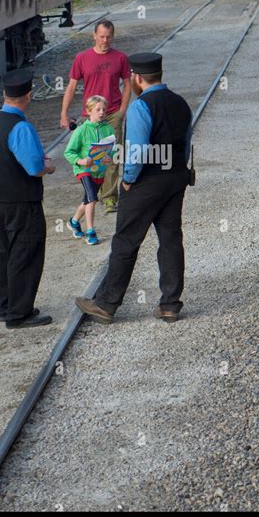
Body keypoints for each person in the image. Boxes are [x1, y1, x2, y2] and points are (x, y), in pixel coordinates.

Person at [75, 53, 192, 325]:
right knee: (171, 239)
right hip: (175, 177)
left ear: (137, 79)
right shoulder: (181, 103)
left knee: (126, 241)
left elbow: (137, 151)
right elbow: (186, 143)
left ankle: (105, 304)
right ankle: (170, 304)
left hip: (145, 182)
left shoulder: (141, 107)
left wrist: (128, 178)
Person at [0, 70, 55, 329]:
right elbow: (33, 166)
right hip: (22, 202)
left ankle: (6, 306)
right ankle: (19, 314)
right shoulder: (21, 127)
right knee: (25, 254)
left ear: (4, 95)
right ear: (29, 96)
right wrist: (49, 167)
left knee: (4, 253)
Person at [60, 20, 130, 214]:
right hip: (89, 117)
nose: (105, 40)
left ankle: (109, 198)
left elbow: (127, 84)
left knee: (111, 157)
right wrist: (64, 113)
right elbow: (72, 86)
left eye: (108, 37)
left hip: (113, 113)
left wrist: (123, 110)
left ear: (112, 37)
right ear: (94, 36)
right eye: (101, 36)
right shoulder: (82, 58)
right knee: (89, 157)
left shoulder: (121, 58)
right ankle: (92, 194)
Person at [64, 95, 115, 246]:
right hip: (84, 169)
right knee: (92, 198)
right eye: (98, 109)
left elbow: (112, 150)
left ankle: (73, 222)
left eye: (104, 110)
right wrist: (80, 161)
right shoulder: (81, 130)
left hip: (99, 170)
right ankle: (91, 232)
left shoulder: (109, 129)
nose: (101, 112)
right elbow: (68, 152)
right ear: (89, 111)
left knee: (87, 200)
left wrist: (109, 157)